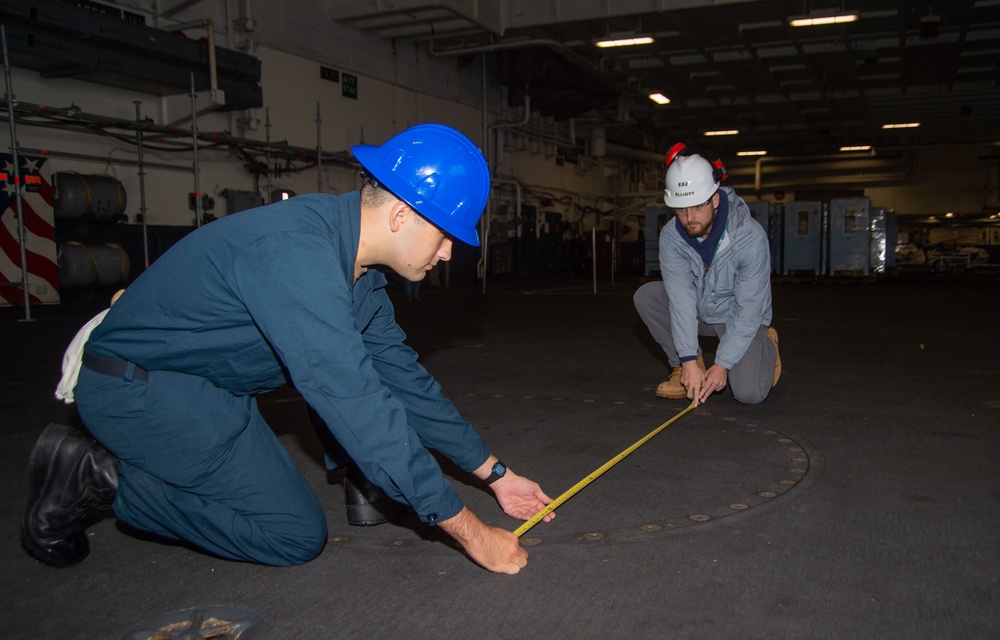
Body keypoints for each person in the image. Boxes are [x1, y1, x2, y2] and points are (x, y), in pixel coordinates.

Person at [21, 123, 554, 574]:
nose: (445, 255)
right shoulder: (297, 254)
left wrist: (496, 475)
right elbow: (355, 403)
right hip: (137, 387)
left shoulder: (359, 274)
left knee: (294, 521)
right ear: (401, 215)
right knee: (291, 537)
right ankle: (101, 475)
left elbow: (405, 383)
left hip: (211, 390)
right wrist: (470, 532)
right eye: (445, 238)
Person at [634, 143, 781, 406]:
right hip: (701, 310)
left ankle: (766, 343)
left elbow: (749, 310)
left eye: (696, 207)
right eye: (680, 209)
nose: (689, 218)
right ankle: (682, 367)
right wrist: (688, 359)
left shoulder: (750, 238)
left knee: (748, 393)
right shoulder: (671, 237)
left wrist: (723, 364)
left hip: (738, 316)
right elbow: (680, 300)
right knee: (647, 296)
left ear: (714, 199)